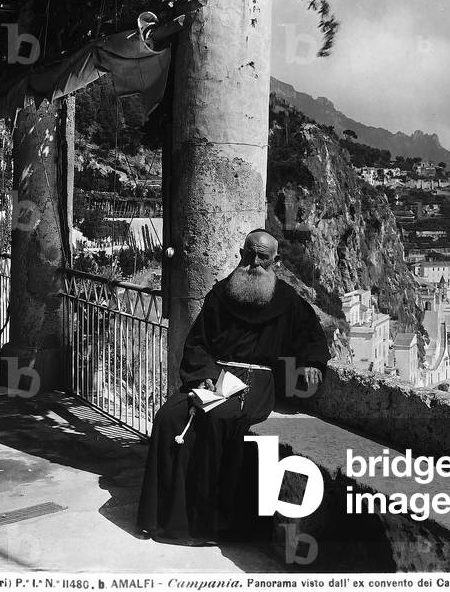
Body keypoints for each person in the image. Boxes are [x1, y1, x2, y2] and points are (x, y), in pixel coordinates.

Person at [136, 228, 330, 544]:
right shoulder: (222, 294)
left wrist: (311, 363)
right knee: (169, 417)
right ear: (241, 253)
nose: (254, 262)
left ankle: (209, 524)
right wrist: (205, 374)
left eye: (262, 256)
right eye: (249, 254)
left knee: (219, 420)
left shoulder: (288, 302)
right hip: (215, 376)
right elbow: (198, 341)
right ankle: (164, 517)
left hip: (257, 382)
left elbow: (313, 337)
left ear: (275, 261)